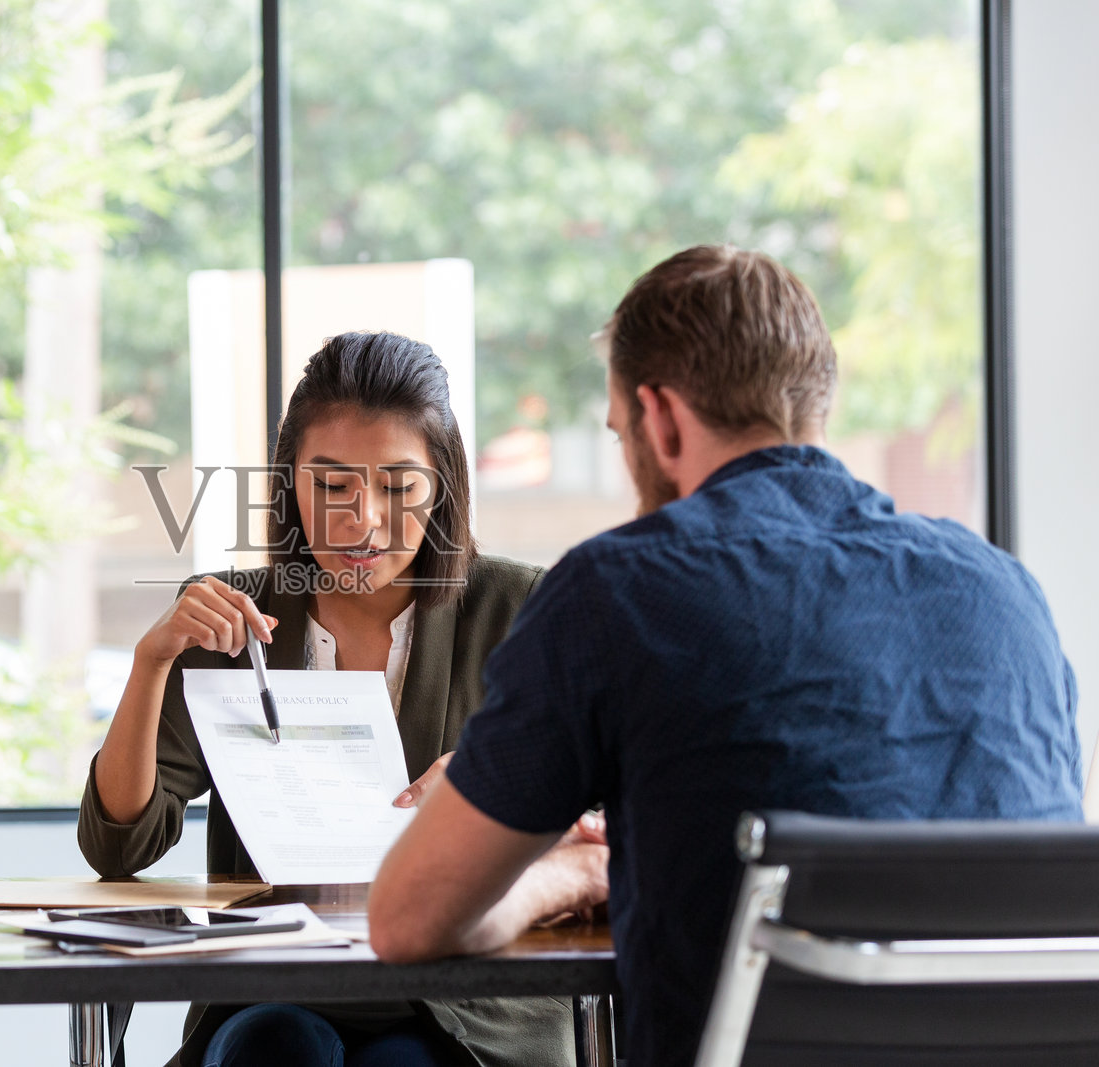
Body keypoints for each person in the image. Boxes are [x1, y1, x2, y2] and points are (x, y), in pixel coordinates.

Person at [367, 245, 1085, 1067]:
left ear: (661, 418)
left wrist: (572, 874)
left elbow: (409, 917)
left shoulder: (620, 591)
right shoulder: (1007, 594)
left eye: (618, 431)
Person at [78, 330, 608, 1067]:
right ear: (289, 481)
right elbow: (119, 845)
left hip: (464, 997)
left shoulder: (525, 606)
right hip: (276, 984)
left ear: (442, 484)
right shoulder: (231, 612)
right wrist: (151, 661)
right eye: (331, 487)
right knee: (273, 1046)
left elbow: (607, 818)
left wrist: (497, 778)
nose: (362, 521)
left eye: (397, 486)